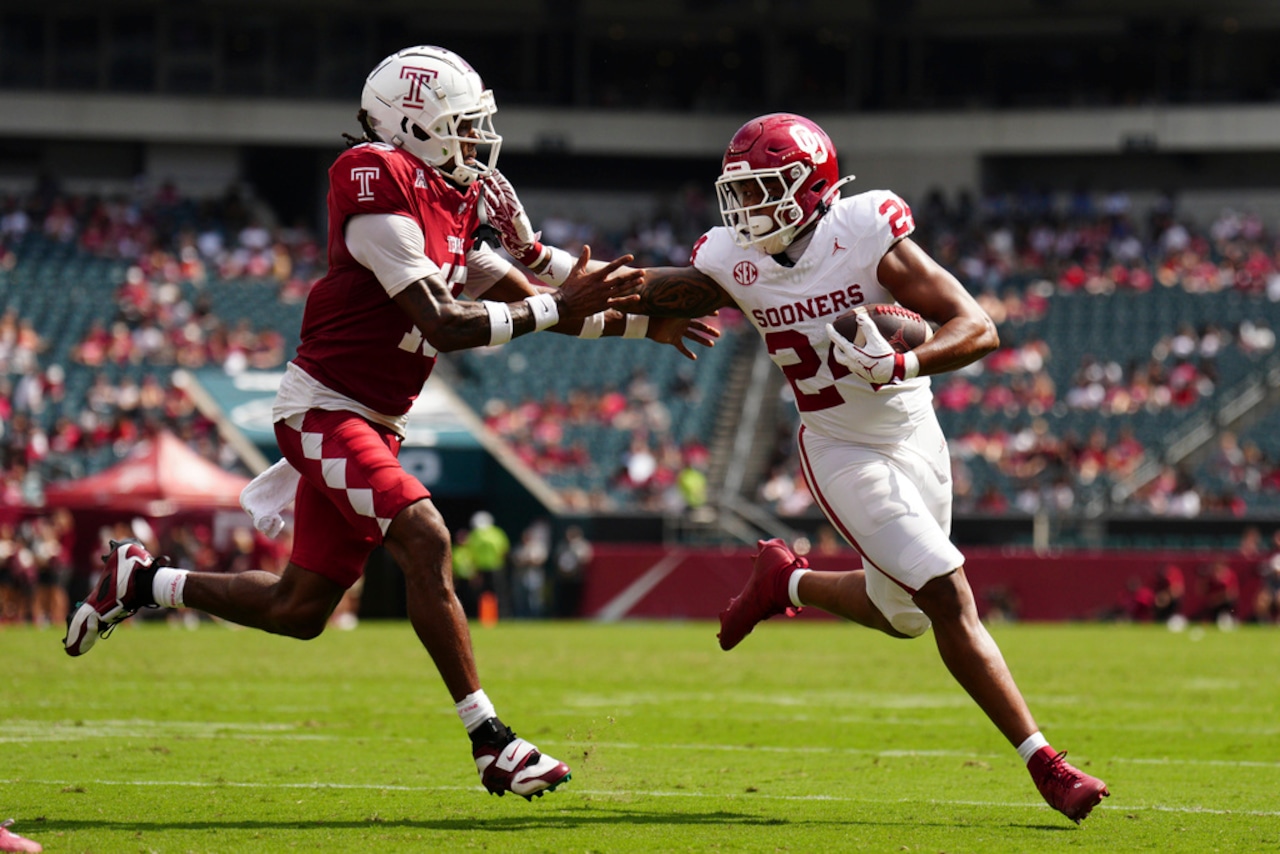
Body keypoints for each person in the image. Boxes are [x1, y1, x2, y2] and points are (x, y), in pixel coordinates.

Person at [62, 44, 715, 802]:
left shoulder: (447, 205)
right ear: (414, 124)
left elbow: (536, 301)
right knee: (425, 535)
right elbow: (445, 323)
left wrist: (641, 326)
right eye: (462, 124)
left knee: (299, 609)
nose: (476, 140)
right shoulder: (375, 184)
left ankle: (145, 580)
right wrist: (553, 301)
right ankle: (491, 741)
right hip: (323, 409)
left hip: (374, 419)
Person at [624, 113, 1109, 823]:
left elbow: (977, 326)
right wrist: (543, 272)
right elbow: (644, 290)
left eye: (762, 189)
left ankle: (785, 580)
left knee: (904, 616)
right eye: (740, 191)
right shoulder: (730, 258)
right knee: (946, 593)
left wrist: (903, 363)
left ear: (809, 185)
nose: (746, 206)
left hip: (915, 431)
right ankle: (1047, 764)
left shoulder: (863, 229)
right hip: (840, 446)